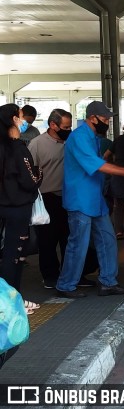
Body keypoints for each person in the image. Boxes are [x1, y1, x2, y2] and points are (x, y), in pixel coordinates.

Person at [56, 102, 124, 299]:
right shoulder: (79, 137)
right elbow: (98, 165)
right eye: (105, 119)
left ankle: (108, 282)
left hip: (94, 200)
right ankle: (66, 284)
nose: (107, 123)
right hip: (80, 200)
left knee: (107, 239)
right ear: (92, 118)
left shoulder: (93, 137)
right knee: (78, 244)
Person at [28, 108, 98, 289]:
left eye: (70, 126)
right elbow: (30, 173)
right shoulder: (37, 144)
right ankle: (50, 276)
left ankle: (75, 275)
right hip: (47, 198)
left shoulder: (72, 142)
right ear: (53, 125)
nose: (69, 130)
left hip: (70, 197)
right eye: (65, 127)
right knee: (47, 241)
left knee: (70, 239)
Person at [0, 104, 43, 314]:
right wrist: (39, 172)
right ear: (13, 120)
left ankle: (9, 300)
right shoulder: (18, 148)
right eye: (20, 116)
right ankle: (11, 303)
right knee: (13, 256)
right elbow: (30, 180)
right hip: (17, 208)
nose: (23, 120)